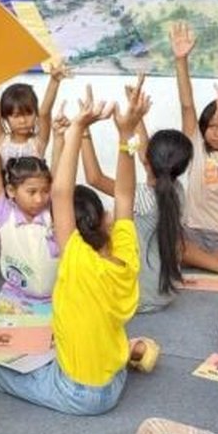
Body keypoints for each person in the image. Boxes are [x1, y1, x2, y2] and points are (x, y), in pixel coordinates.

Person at [0, 84, 158, 415]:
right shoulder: (125, 253)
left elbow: (61, 192)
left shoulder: (76, 259)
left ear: (68, 230)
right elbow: (124, 196)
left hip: (80, 393)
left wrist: (77, 128)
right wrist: (126, 136)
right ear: (104, 222)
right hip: (114, 379)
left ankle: (129, 351)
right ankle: (132, 351)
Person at [81, 100, 193, 313]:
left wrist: (83, 130)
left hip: (138, 297)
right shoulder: (177, 190)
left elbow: (94, 178)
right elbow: (146, 153)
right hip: (165, 293)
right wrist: (136, 118)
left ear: (147, 162)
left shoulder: (139, 198)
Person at [169, 20, 218, 275]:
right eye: (210, 126)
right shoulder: (197, 147)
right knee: (171, 244)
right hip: (192, 232)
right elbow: (186, 105)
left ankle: (211, 263)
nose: (215, 131)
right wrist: (181, 60)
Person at [0, 101, 57, 314]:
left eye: (45, 191)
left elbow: (61, 177)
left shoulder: (54, 214)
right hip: (15, 299)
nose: (40, 198)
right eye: (31, 192)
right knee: (7, 341)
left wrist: (60, 137)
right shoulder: (5, 214)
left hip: (55, 299)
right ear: (12, 191)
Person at [0, 63, 67, 164]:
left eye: (28, 114)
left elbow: (44, 113)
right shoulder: (1, 140)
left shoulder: (38, 142)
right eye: (16, 116)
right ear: (5, 117)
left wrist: (54, 81)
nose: (23, 121)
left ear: (35, 114)